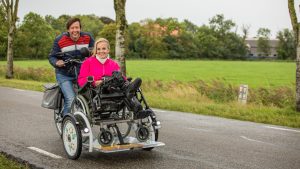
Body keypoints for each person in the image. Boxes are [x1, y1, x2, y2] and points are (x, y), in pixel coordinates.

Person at [78, 38, 150, 119]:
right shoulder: (88, 62)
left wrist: (125, 81)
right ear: (95, 50)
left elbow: (121, 78)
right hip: (97, 90)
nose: (101, 51)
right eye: (98, 49)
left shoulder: (113, 64)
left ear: (108, 50)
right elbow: (81, 80)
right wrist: (94, 82)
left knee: (121, 81)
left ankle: (138, 110)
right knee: (121, 86)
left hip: (114, 89)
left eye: (104, 48)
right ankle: (128, 90)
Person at [49, 17, 95, 116]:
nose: (75, 30)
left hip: (82, 74)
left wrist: (90, 56)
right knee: (71, 99)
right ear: (68, 30)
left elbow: (94, 52)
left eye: (77, 27)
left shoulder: (88, 37)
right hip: (64, 74)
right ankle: (66, 123)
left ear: (80, 28)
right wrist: (57, 62)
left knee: (88, 98)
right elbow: (52, 56)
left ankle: (82, 118)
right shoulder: (60, 40)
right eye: (72, 28)